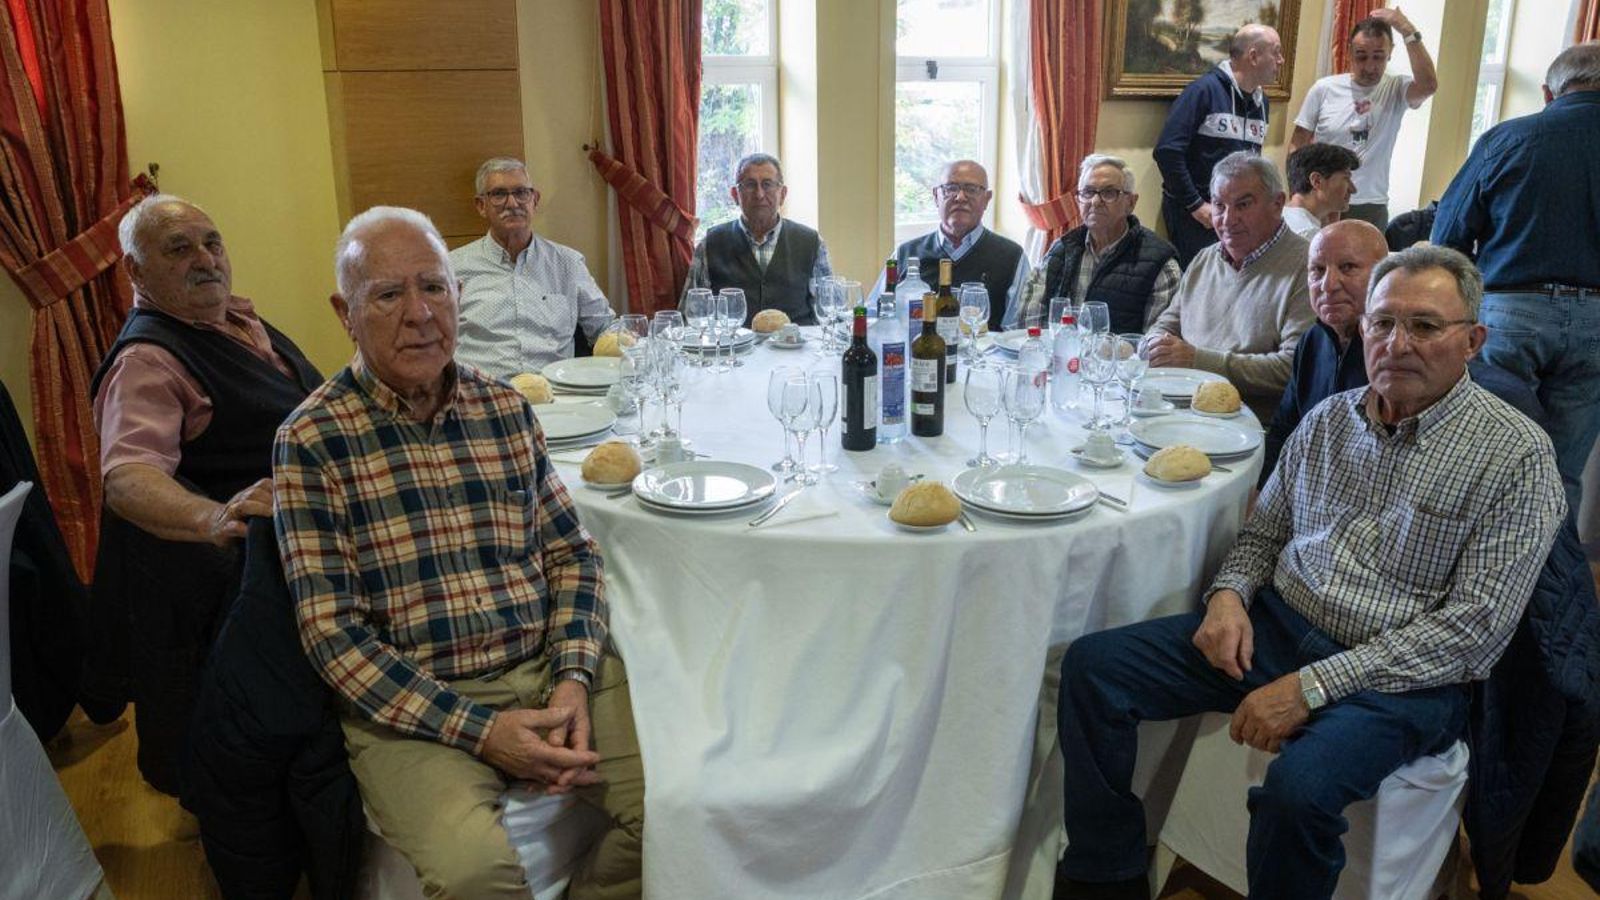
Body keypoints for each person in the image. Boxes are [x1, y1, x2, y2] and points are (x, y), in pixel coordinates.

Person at [1055, 245, 1567, 900]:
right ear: (1363, 330)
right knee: (1095, 671)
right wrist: (1229, 596)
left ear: (1474, 340)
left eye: (1425, 326)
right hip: (1277, 630)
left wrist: (1314, 687)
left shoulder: (1516, 455)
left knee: (1299, 793)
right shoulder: (1330, 420)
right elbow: (1263, 535)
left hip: (1403, 681)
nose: (1397, 342)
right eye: (1382, 323)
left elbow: (1474, 634)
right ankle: (1109, 875)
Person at [273, 206, 643, 900]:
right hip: (419, 703)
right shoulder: (313, 440)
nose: (419, 314)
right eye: (388, 294)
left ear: (458, 297)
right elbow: (333, 635)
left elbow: (574, 558)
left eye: (434, 287)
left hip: (546, 669)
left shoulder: (504, 410)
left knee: (680, 803)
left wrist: (570, 677)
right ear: (344, 312)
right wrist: (481, 731)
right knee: (475, 875)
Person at [88, 193, 323, 794]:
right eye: (179, 248)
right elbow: (128, 479)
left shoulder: (232, 319)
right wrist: (214, 516)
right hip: (240, 574)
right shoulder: (147, 360)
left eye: (212, 242)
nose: (206, 259)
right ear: (136, 271)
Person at [1432, 41, 1600, 515]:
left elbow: (1449, 235)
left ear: (1549, 93)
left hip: (1510, 312)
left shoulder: (1509, 139)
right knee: (1561, 471)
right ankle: (1547, 585)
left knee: (1484, 458)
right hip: (1598, 324)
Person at [1144, 152, 1314, 423]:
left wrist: (1198, 361)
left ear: (1277, 203)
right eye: (1219, 206)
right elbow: (1167, 323)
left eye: (1243, 205)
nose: (1228, 219)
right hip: (1179, 410)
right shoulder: (1205, 258)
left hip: (1250, 426)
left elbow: (1292, 368)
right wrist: (1154, 344)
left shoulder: (1308, 267)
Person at [451, 157, 615, 378]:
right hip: (484, 399)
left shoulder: (568, 264)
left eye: (521, 192)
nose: (512, 203)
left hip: (558, 397)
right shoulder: (452, 268)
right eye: (499, 194)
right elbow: (433, 340)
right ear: (481, 206)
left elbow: (606, 330)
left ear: (534, 200)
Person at [1291, 9, 1438, 229]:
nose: (1370, 67)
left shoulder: (1396, 89)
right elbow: (1297, 144)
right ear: (1350, 52)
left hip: (1371, 205)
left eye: (1378, 56)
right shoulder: (1324, 89)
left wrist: (1406, 29)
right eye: (1361, 56)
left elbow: (1428, 85)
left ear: (1390, 53)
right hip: (1322, 201)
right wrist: (1297, 194)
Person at [1154, 24, 1284, 267]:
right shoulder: (1203, 91)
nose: (1281, 60)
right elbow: (1167, 151)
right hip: (1198, 217)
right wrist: (1196, 205)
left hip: (1239, 217)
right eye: (1276, 53)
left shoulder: (1261, 102)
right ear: (1253, 56)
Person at [1007, 154, 1178, 334]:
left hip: (1118, 361)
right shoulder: (1063, 250)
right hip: (1057, 358)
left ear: (1131, 202)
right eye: (1088, 192)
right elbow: (1029, 319)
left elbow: (1156, 344)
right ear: (1077, 201)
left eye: (1109, 193)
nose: (1095, 202)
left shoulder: (1159, 263)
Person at [869, 159, 1027, 333]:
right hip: (918, 356)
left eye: (971, 189)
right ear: (936, 196)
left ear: (987, 199)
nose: (960, 197)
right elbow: (873, 315)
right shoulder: (906, 254)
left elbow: (1017, 333)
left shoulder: (1012, 257)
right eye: (950, 188)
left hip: (985, 358)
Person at [683, 152, 832, 325]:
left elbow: (830, 315)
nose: (759, 194)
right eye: (750, 185)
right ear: (735, 195)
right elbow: (691, 318)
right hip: (733, 349)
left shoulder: (812, 243)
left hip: (795, 349)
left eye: (767, 184)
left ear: (782, 194)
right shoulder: (710, 244)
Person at [1282, 143, 1361, 238]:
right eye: (1346, 178)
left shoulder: (1280, 216)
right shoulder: (1309, 234)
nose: (1353, 189)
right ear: (1317, 181)